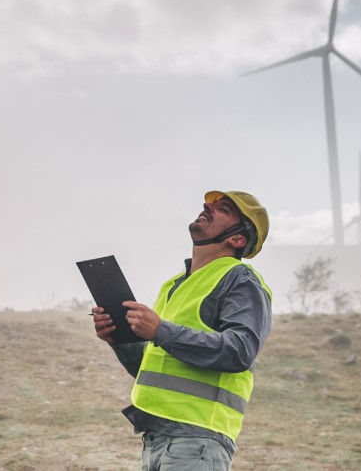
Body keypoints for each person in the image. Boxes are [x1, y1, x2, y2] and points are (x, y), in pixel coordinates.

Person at [93, 190, 273, 471]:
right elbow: (152, 366)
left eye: (222, 208)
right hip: (156, 438)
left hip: (198, 439)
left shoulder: (240, 281)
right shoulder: (175, 284)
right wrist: (118, 339)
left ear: (237, 238)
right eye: (209, 203)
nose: (207, 206)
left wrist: (161, 331)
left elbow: (240, 351)